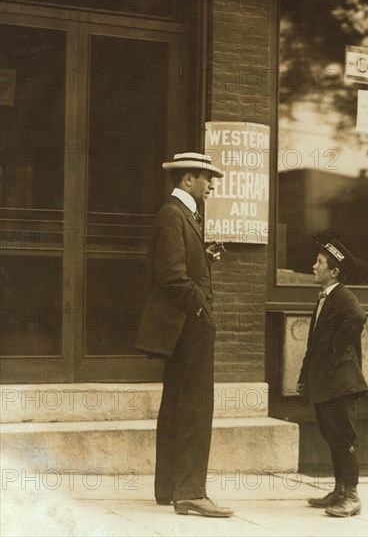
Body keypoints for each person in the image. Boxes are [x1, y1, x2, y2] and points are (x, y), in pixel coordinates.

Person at [135, 152, 233, 518]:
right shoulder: (173, 214)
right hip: (188, 326)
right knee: (195, 405)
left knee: (177, 404)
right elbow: (172, 276)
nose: (212, 185)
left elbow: (177, 267)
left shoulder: (181, 216)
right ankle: (191, 492)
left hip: (182, 326)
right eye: (208, 178)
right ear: (188, 179)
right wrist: (202, 307)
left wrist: (203, 255)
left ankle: (168, 488)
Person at [297, 239, 368, 517]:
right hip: (326, 383)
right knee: (332, 434)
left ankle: (350, 495)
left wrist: (337, 349)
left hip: (340, 383)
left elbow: (357, 318)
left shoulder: (343, 298)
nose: (313, 267)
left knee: (343, 436)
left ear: (334, 271)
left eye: (319, 262)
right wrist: (305, 375)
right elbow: (314, 344)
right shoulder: (326, 297)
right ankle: (339, 490)